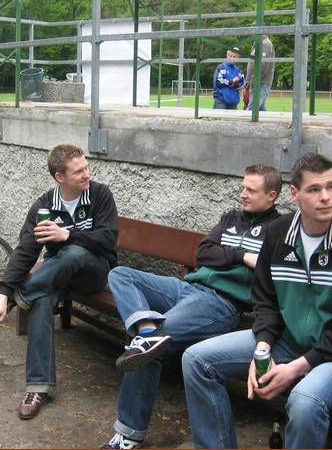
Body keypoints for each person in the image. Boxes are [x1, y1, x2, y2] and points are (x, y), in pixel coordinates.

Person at [182, 153, 332, 449]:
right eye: (314, 189)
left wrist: (298, 367)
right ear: (294, 194)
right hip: (286, 339)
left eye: (331, 187)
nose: (326, 197)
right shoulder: (279, 234)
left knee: (304, 402)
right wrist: (262, 349)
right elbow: (266, 300)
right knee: (197, 360)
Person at [101, 165, 283, 450]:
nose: (242, 194)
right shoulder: (231, 218)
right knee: (121, 275)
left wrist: (228, 257)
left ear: (271, 195)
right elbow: (203, 253)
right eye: (242, 187)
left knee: (149, 348)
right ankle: (146, 330)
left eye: (250, 190)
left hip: (220, 303)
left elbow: (268, 275)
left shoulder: (279, 231)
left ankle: (128, 433)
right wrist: (243, 256)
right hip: (186, 288)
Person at [0, 144, 119, 420]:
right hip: (57, 277)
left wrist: (67, 235)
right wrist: (4, 289)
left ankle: (18, 296)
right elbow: (26, 251)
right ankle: (38, 387)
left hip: (95, 273)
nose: (87, 174)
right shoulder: (44, 207)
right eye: (79, 171)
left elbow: (108, 239)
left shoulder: (100, 195)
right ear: (60, 177)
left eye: (87, 167)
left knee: (74, 252)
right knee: (42, 299)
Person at [244, 33, 275, 112]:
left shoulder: (266, 44)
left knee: (251, 109)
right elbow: (251, 64)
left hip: (261, 82)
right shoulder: (256, 44)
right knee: (261, 110)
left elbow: (263, 65)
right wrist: (248, 80)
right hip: (256, 81)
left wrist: (253, 79)